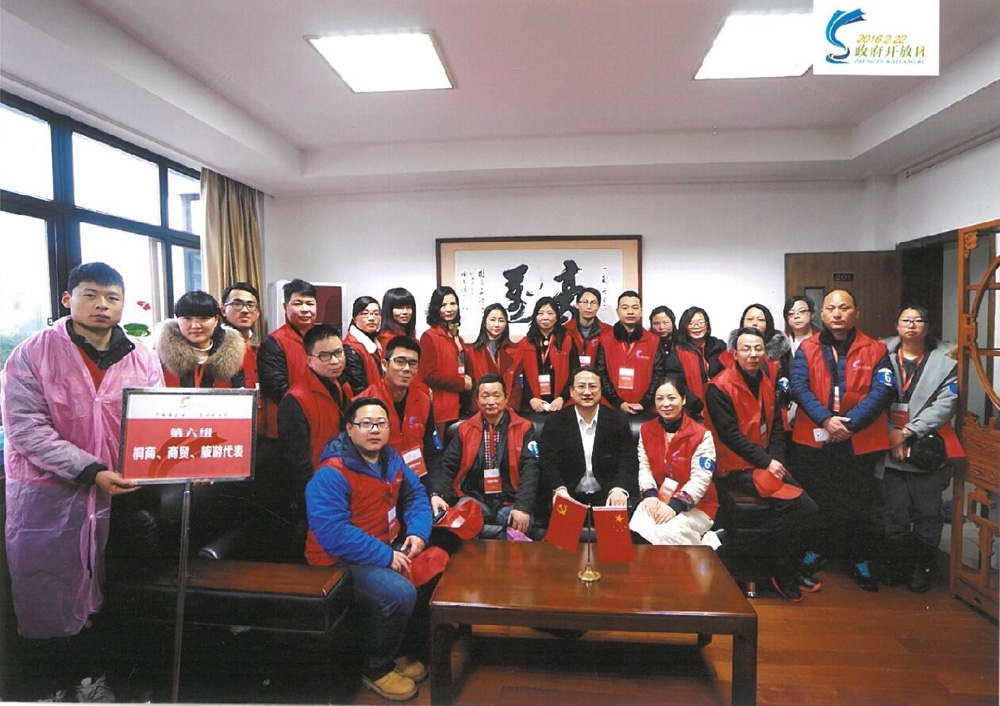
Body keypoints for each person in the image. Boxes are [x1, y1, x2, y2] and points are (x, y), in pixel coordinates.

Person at [2, 262, 163, 700]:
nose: (102, 305)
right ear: (67, 299)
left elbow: (156, 421)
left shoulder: (143, 356)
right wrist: (91, 471)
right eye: (90, 295)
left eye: (112, 298)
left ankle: (103, 680)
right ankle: (56, 687)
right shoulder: (32, 353)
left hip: (124, 492)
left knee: (118, 589)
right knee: (50, 592)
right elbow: (25, 427)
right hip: (54, 495)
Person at [305, 397, 432, 701]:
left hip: (385, 545)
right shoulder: (330, 473)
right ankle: (375, 668)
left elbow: (416, 496)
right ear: (349, 429)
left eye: (381, 423)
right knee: (399, 593)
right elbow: (333, 533)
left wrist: (418, 533)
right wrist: (385, 555)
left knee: (436, 564)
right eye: (365, 424)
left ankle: (396, 650)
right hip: (338, 560)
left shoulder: (391, 458)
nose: (374, 430)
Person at [790, 289, 895, 592]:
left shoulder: (876, 349)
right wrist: (826, 420)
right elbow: (799, 387)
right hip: (816, 438)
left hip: (859, 438)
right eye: (831, 308)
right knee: (818, 500)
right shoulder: (807, 348)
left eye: (844, 308)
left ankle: (858, 559)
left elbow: (883, 391)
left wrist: (850, 424)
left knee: (859, 503)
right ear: (821, 314)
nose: (837, 313)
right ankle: (815, 551)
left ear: (856, 313)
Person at [706, 328, 821, 601]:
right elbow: (730, 436)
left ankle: (783, 566)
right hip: (734, 467)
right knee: (803, 507)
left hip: (763, 464)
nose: (753, 354)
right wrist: (768, 461)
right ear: (734, 353)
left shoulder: (766, 382)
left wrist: (776, 460)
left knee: (809, 508)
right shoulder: (719, 387)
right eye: (746, 348)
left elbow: (777, 427)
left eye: (758, 348)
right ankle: (781, 570)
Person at [880, 305, 964, 593]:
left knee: (928, 513)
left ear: (927, 327)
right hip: (887, 442)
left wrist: (906, 433)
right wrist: (891, 434)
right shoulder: (881, 354)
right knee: (894, 512)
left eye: (918, 320)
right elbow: (869, 395)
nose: (912, 325)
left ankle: (922, 567)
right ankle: (898, 564)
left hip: (926, 444)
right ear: (897, 326)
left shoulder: (946, 360)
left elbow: (945, 405)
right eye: (906, 320)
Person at [430, 374, 540, 537]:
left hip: (511, 499)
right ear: (477, 400)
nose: (490, 401)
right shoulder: (465, 429)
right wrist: (438, 495)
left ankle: (496, 534)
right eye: (485, 396)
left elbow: (530, 469)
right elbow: (448, 465)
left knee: (520, 523)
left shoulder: (523, 427)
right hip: (476, 497)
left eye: (496, 395)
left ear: (506, 398)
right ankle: (501, 534)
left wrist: (522, 507)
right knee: (459, 520)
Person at [277, 325, 353, 560]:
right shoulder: (295, 400)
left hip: (341, 486)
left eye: (338, 353)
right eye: (325, 356)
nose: (335, 361)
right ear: (309, 360)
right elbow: (297, 465)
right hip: (318, 499)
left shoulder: (340, 386)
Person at [629, 376, 718, 545]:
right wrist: (650, 496)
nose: (666, 404)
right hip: (658, 499)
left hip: (696, 506)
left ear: (683, 400)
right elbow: (645, 467)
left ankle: (707, 544)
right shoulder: (646, 430)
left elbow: (701, 479)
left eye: (671, 398)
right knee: (638, 527)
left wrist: (675, 506)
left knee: (665, 532)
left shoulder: (701, 435)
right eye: (660, 399)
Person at [537, 367, 636, 513]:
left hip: (607, 495)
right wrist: (559, 488)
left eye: (593, 386)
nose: (587, 392)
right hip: (568, 494)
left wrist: (619, 488)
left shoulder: (617, 420)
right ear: (571, 391)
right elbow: (546, 462)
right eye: (581, 386)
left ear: (601, 390)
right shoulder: (556, 421)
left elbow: (627, 460)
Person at [358, 336, 442, 488]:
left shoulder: (423, 400)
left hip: (417, 481)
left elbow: (431, 451)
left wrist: (435, 491)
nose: (407, 369)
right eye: (400, 361)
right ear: (384, 365)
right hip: (379, 485)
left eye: (413, 363)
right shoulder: (364, 403)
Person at [258, 278, 317, 439]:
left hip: (319, 422)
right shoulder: (273, 342)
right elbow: (276, 387)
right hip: (286, 426)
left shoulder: (324, 339)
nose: (305, 309)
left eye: (310, 303)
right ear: (285, 307)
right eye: (298, 303)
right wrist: (306, 408)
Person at [155, 291, 249, 388]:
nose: (195, 326)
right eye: (187, 318)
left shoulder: (233, 357)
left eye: (204, 318)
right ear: (177, 320)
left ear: (216, 320)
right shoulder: (159, 357)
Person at [594, 290, 662, 415]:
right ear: (617, 311)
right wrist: (618, 402)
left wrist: (645, 403)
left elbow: (658, 374)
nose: (630, 312)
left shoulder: (653, 340)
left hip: (645, 409)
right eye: (625, 307)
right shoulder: (605, 340)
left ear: (641, 311)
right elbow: (601, 373)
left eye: (635, 307)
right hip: (612, 408)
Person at [420, 286, 471, 432]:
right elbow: (429, 375)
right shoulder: (429, 337)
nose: (449, 309)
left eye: (453, 304)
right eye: (443, 305)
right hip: (441, 407)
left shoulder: (456, 337)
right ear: (436, 308)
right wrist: (461, 383)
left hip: (460, 404)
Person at [518, 297, 579, 414]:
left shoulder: (567, 341)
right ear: (535, 317)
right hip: (533, 405)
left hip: (561, 403)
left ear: (557, 317)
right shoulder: (525, 343)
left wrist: (562, 397)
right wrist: (530, 398)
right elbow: (519, 377)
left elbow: (575, 373)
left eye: (550, 313)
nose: (545, 317)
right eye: (540, 313)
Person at [465, 303, 525, 412]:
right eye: (492, 320)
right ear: (485, 322)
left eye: (501, 320)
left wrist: (509, 409)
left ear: (506, 324)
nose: (497, 324)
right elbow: (472, 386)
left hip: (508, 409)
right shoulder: (472, 352)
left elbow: (517, 385)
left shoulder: (516, 351)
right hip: (480, 409)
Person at [675, 306, 727, 405]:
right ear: (684, 326)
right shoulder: (678, 350)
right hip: (693, 406)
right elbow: (678, 383)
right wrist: (696, 405)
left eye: (700, 322)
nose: (696, 326)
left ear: (707, 324)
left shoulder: (718, 346)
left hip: (719, 402)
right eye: (691, 323)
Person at [220, 281, 261, 389]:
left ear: (257, 313)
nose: (245, 310)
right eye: (237, 304)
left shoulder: (262, 347)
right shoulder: (214, 346)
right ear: (223, 310)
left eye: (250, 305)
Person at [344, 296, 385, 392]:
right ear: (354, 318)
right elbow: (358, 389)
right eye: (365, 313)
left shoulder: (379, 341)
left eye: (376, 313)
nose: (371, 318)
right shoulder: (350, 348)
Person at [565, 287, 611, 366]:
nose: (589, 307)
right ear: (577, 305)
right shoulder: (565, 330)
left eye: (593, 303)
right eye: (585, 302)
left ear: (598, 306)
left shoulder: (608, 331)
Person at [377, 287, 418, 353]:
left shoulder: (410, 334)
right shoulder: (386, 338)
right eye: (399, 308)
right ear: (389, 310)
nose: (405, 312)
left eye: (408, 307)